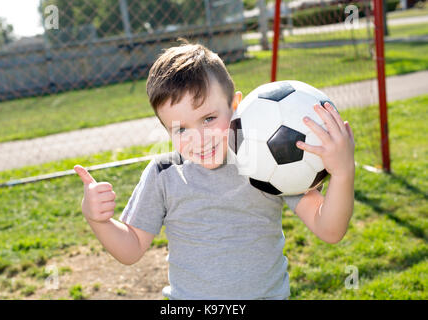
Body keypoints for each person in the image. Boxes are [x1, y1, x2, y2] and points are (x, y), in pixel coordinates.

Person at [74, 40, 355, 300]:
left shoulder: (266, 160)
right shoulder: (163, 174)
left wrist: (342, 174)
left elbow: (329, 230)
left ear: (236, 106)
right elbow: (131, 248)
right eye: (181, 128)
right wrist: (98, 220)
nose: (199, 137)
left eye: (208, 118)